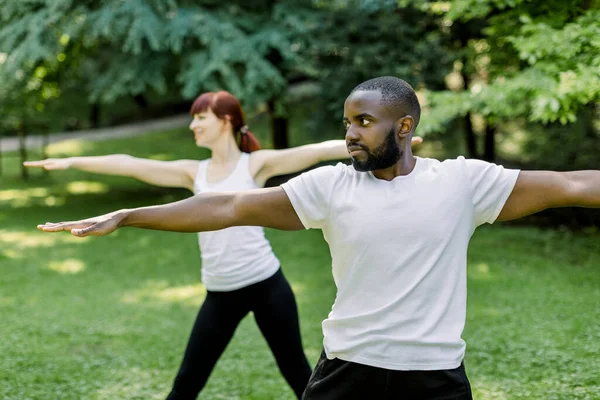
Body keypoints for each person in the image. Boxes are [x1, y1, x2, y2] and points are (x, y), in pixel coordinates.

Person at [36, 76, 600, 400]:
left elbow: (574, 183)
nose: (349, 134)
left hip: (435, 379)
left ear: (404, 128)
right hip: (348, 373)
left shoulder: (462, 182)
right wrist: (130, 215)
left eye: (363, 123)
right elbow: (230, 205)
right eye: (348, 121)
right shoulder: (331, 187)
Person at [25, 89, 423, 399]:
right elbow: (130, 163)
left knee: (299, 375)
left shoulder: (255, 164)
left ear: (226, 120)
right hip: (220, 292)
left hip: (267, 285)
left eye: (201, 117)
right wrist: (73, 162)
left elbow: (315, 151)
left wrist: (393, 145)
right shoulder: (191, 171)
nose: (194, 125)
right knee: (187, 382)